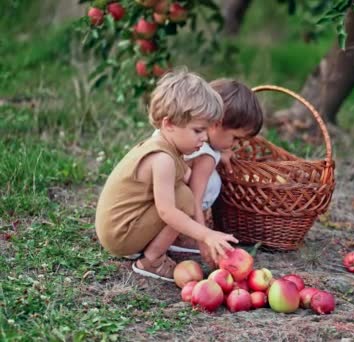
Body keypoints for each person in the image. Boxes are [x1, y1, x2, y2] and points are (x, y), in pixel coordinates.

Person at [95, 69, 238, 281]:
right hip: (120, 236)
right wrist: (205, 234)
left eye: (206, 131)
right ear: (168, 124)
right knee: (183, 198)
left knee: (183, 193)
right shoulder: (162, 160)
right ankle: (151, 261)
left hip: (121, 227)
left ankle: (157, 244)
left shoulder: (169, 148)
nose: (204, 138)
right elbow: (168, 212)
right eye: (198, 131)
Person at [166, 79, 264, 260]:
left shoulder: (188, 136)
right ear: (216, 124)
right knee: (212, 182)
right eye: (235, 138)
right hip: (174, 210)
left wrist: (221, 151)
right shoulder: (205, 156)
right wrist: (203, 237)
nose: (234, 145)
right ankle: (182, 237)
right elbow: (195, 198)